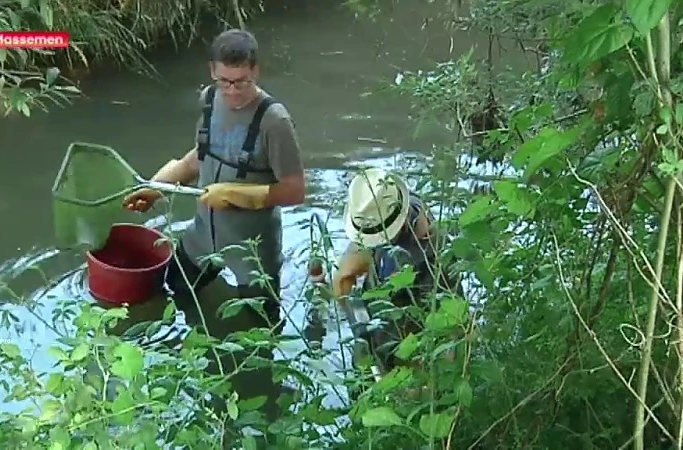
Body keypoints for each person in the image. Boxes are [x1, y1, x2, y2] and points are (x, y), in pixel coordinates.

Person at [122, 28, 306, 332]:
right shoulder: (209, 100)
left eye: (241, 82)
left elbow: (295, 190)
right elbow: (198, 157)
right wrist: (153, 189)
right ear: (212, 72)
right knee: (176, 290)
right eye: (224, 81)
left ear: (255, 71)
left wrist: (235, 193)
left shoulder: (275, 121)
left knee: (260, 331)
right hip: (203, 235)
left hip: (253, 251)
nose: (232, 91)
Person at [331, 168, 464, 372]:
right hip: (382, 323)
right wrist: (360, 328)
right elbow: (342, 280)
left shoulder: (434, 259)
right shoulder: (378, 213)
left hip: (414, 336)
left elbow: (450, 334)